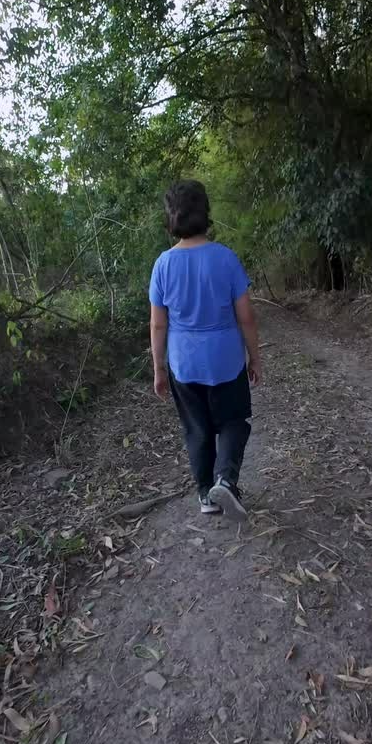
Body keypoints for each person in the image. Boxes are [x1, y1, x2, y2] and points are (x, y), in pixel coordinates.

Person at [149, 179, 261, 520]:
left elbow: (157, 324)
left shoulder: (163, 265)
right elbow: (246, 317)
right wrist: (255, 357)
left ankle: (205, 496)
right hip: (225, 358)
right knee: (233, 421)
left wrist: (159, 369)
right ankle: (225, 480)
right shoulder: (225, 258)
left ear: (172, 220)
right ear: (206, 215)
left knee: (196, 429)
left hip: (184, 362)